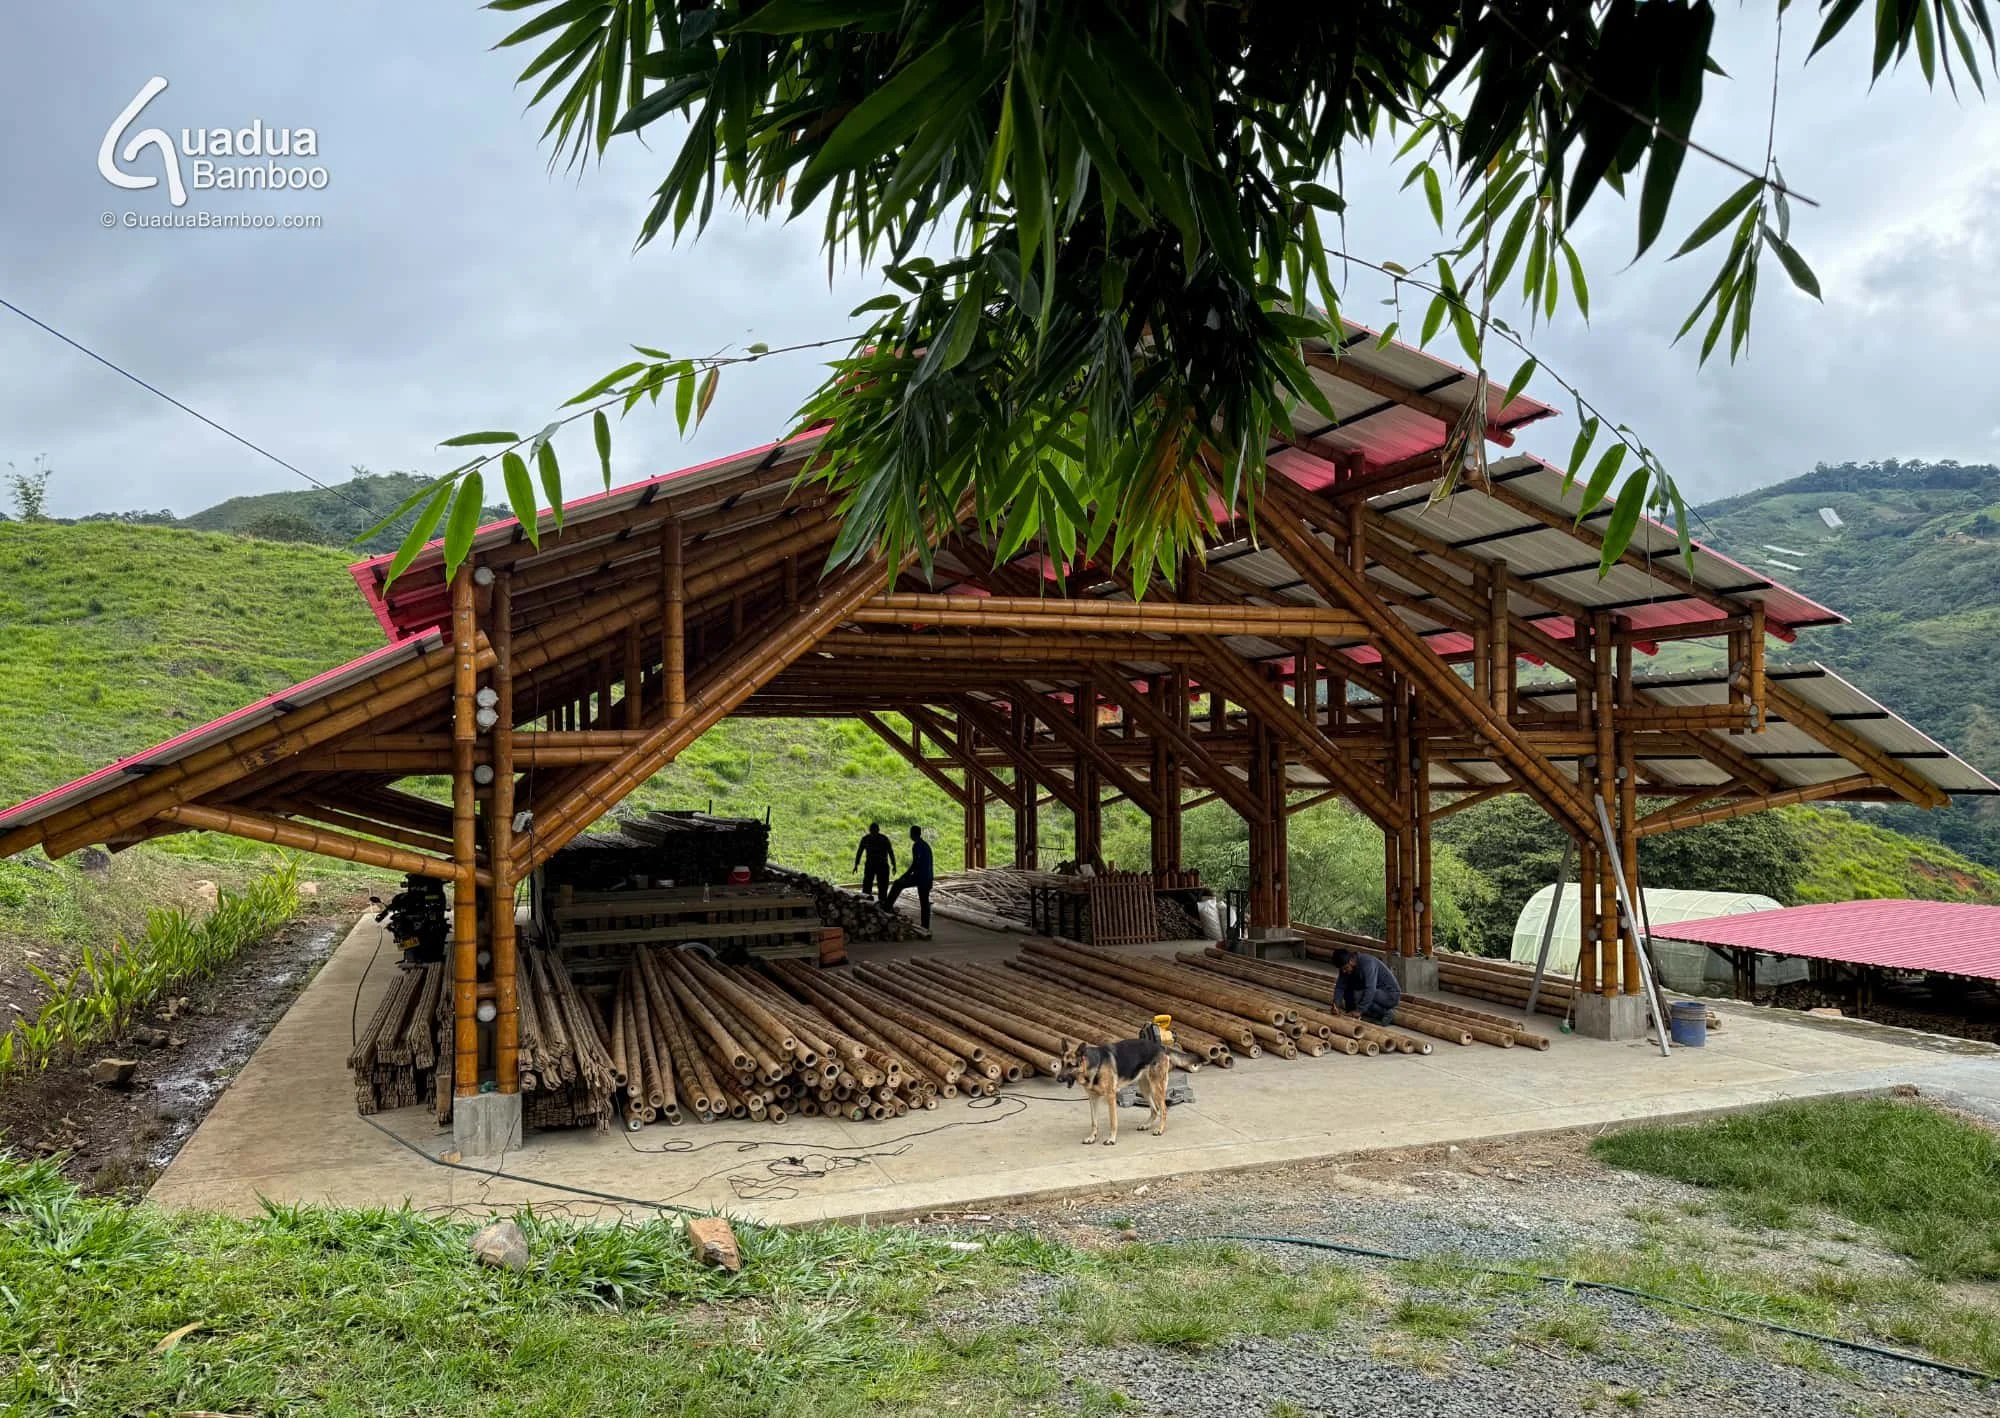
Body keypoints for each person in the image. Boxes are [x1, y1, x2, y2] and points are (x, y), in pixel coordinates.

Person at [1331, 947, 1401, 1025]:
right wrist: (1336, 1004)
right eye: (1341, 969)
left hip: (1390, 995)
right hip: (1377, 993)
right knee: (1350, 989)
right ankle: (1365, 1012)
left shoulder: (1367, 963)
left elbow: (1371, 989)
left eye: (1345, 968)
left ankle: (1386, 1013)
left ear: (1351, 961)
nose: (1344, 971)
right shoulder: (1346, 965)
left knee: (1359, 995)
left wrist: (1359, 1010)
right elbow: (1340, 986)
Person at [884, 824, 935, 928]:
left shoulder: (917, 846)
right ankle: (925, 927)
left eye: (911, 833)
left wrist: (905, 875)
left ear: (913, 834)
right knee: (924, 902)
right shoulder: (925, 845)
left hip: (921, 877)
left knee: (897, 884)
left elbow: (915, 864)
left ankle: (886, 908)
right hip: (927, 877)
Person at [853, 821, 896, 902]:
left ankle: (879, 902)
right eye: (872, 831)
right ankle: (868, 902)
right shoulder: (881, 839)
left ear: (878, 830)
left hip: (880, 865)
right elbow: (859, 852)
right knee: (868, 886)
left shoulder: (869, 839)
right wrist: (856, 864)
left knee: (881, 887)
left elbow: (890, 852)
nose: (874, 833)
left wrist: (894, 864)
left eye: (874, 831)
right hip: (874, 865)